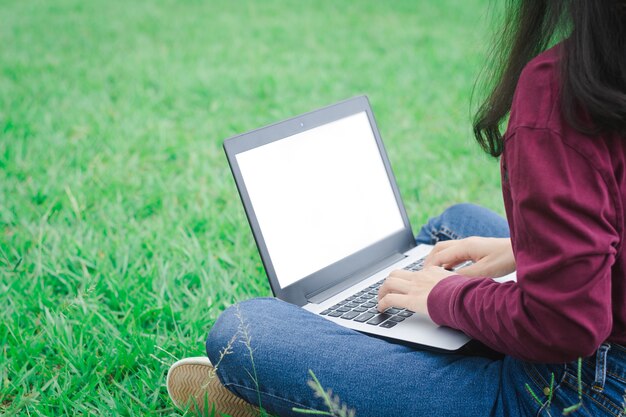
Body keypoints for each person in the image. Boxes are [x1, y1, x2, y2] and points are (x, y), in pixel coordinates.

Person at [167, 1, 626, 416]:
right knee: (455, 224)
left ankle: (315, 385)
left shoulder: (565, 92)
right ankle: (393, 346)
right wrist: (525, 250)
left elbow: (564, 325)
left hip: (576, 391)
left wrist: (443, 297)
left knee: (245, 331)